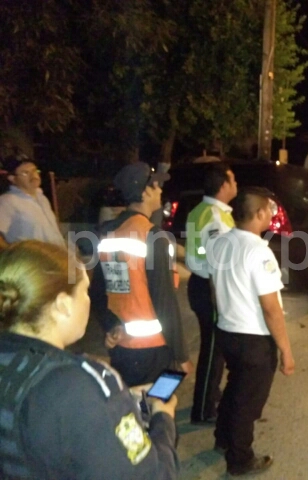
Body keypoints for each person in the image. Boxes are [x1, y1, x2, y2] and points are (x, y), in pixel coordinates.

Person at [0, 240, 180, 479]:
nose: (89, 300)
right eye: (84, 291)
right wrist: (163, 419)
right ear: (63, 305)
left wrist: (123, 400)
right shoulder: (83, 384)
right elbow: (153, 475)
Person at [208, 187, 295, 477]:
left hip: (227, 331)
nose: (272, 213)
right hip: (254, 339)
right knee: (248, 403)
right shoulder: (258, 251)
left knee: (235, 388)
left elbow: (214, 285)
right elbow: (271, 307)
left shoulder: (220, 244)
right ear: (258, 214)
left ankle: (223, 438)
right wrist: (285, 349)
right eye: (269, 208)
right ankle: (240, 459)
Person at [89, 162, 193, 386]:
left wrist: (110, 325)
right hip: (155, 350)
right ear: (145, 192)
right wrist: (181, 354)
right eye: (156, 186)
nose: (161, 190)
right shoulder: (151, 236)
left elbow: (97, 291)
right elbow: (164, 301)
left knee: (131, 407)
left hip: (121, 347)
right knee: (160, 404)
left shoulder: (106, 233)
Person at [186, 162, 237, 425]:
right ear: (223, 185)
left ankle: (209, 396)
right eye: (233, 179)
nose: (236, 184)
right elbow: (219, 261)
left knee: (212, 347)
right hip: (210, 287)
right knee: (214, 350)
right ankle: (204, 409)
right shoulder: (216, 217)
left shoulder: (200, 210)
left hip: (200, 283)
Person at [0, 154, 65, 248]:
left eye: (34, 170)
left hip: (54, 260)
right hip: (31, 261)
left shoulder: (43, 199)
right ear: (12, 178)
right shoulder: (7, 201)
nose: (33, 175)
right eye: (25, 173)